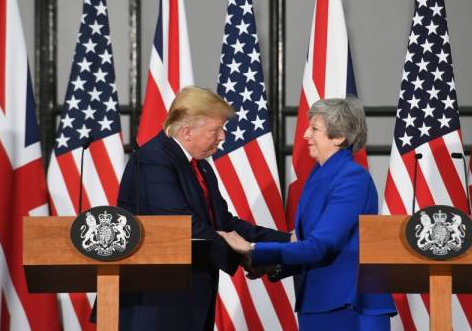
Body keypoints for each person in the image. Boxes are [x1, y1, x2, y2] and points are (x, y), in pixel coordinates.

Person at [116, 86, 290, 330]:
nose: (223, 137)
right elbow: (184, 226)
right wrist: (251, 255)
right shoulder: (153, 159)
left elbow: (224, 224)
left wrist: (286, 242)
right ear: (187, 131)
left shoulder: (201, 167)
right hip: (156, 304)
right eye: (215, 130)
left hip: (190, 301)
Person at [219, 97, 397, 330]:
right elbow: (310, 244)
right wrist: (275, 265)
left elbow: (320, 245)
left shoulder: (351, 179)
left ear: (340, 137)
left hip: (349, 305)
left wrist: (255, 251)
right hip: (320, 301)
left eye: (314, 129)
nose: (305, 135)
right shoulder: (320, 176)